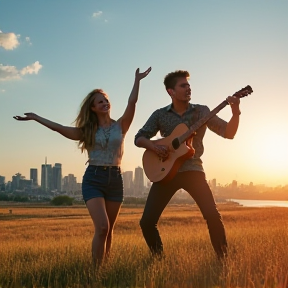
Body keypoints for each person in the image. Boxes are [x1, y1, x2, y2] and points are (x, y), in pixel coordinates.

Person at [14, 67, 152, 265]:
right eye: (100, 101)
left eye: (106, 100)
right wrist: (36, 117)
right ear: (93, 108)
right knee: (102, 227)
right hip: (94, 178)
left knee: (110, 230)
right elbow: (59, 128)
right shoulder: (87, 130)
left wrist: (137, 80)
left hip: (115, 179)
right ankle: (95, 274)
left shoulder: (120, 125)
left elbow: (132, 102)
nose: (105, 103)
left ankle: (104, 271)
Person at [134, 70, 242, 259]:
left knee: (212, 215)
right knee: (147, 221)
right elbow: (139, 138)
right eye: (183, 85)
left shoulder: (202, 111)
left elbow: (229, 133)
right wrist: (155, 147)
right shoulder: (160, 115)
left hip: (193, 170)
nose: (188, 88)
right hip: (165, 172)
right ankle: (159, 259)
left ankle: (223, 260)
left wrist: (235, 112)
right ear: (171, 91)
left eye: (189, 85)